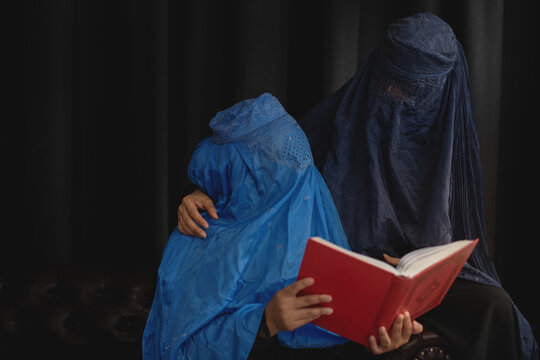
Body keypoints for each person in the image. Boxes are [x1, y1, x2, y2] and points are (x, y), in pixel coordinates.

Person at [177, 13, 539, 360]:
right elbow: (264, 174)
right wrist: (204, 193)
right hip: (335, 285)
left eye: (413, 93)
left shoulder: (450, 145)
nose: (396, 99)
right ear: (373, 69)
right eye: (389, 83)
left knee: (495, 308)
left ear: (442, 95)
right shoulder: (335, 123)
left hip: (411, 290)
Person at [142, 93, 422, 360]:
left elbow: (337, 342)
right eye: (272, 172)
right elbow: (177, 350)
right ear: (238, 176)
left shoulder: (319, 229)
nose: (297, 188)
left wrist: (381, 343)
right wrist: (265, 323)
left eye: (297, 168)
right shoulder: (197, 233)